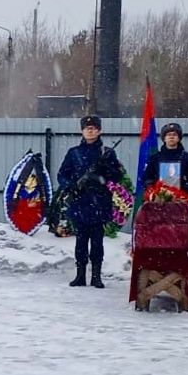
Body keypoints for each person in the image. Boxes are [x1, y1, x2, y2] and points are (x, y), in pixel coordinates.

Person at [58, 114, 123, 288]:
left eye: (93, 128)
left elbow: (117, 176)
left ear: (99, 131)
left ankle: (96, 276)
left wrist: (105, 169)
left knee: (97, 241)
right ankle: (80, 275)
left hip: (99, 201)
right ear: (82, 131)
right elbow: (62, 174)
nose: (90, 131)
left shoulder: (106, 152)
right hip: (80, 201)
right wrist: (71, 186)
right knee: (80, 241)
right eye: (87, 128)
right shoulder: (74, 153)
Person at [143, 122, 188, 200]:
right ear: (164, 138)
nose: (171, 137)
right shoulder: (154, 158)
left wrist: (182, 189)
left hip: (183, 200)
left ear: (179, 138)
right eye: (168, 135)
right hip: (159, 200)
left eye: (174, 134)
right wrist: (155, 192)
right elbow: (147, 179)